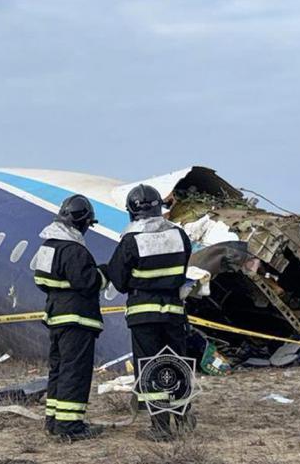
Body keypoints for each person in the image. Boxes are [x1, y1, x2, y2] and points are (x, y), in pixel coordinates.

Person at [106, 184, 194, 441]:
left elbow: (119, 280)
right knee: (177, 362)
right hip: (174, 312)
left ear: (132, 212)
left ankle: (161, 427)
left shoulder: (131, 240)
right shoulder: (179, 235)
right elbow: (182, 270)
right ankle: (183, 415)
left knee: (151, 367)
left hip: (144, 314)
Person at [34, 195, 107, 441]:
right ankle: (70, 427)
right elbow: (88, 283)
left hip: (56, 317)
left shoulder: (48, 246)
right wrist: (104, 274)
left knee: (59, 369)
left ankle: (53, 421)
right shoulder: (74, 250)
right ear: (83, 222)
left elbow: (40, 281)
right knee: (75, 371)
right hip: (77, 320)